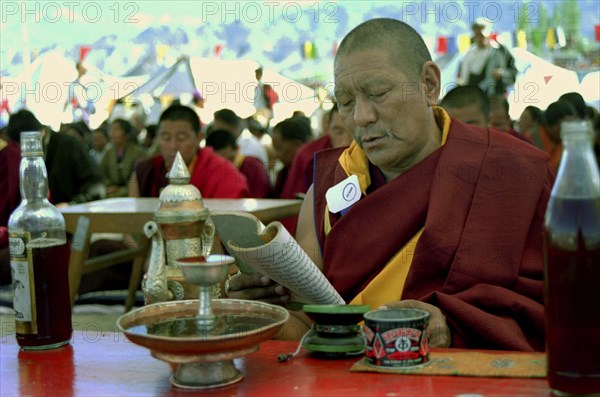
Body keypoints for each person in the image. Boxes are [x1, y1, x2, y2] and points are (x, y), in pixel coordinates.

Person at [227, 18, 554, 352]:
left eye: (378, 93)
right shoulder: (327, 189)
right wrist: (262, 312)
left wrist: (453, 325)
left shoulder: (511, 172)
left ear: (428, 84)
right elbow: (309, 327)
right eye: (346, 101)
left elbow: (564, 309)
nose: (360, 117)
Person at [130, 104, 250, 198]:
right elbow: (136, 214)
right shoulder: (145, 170)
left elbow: (230, 220)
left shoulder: (221, 171)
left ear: (199, 138)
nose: (173, 146)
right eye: (166, 138)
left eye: (181, 138)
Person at [7, 110, 105, 206]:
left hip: (74, 212)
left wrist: (72, 204)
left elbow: (95, 186)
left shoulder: (68, 145)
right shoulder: (26, 155)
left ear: (40, 133)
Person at [280, 103, 352, 200]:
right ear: (328, 129)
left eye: (353, 131)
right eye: (338, 132)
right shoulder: (307, 156)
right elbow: (291, 203)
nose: (346, 141)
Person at [441, 86, 531, 144]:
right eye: (453, 126)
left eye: (470, 124)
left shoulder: (517, 150)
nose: (462, 132)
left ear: (488, 121)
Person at [205, 128, 272, 198]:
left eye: (230, 159)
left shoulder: (253, 166)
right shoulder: (209, 171)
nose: (226, 165)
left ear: (237, 149)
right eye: (218, 163)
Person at [457, 18, 517, 96]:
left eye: (482, 35)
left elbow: (513, 74)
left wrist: (502, 74)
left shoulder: (501, 51)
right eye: (477, 35)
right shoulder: (469, 54)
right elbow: (463, 79)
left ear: (490, 34)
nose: (479, 39)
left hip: (496, 98)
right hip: (475, 98)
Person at [100, 118, 147, 198]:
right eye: (111, 129)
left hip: (132, 194)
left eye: (116, 130)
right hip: (111, 193)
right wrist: (109, 186)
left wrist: (121, 190)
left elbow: (141, 179)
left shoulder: (139, 153)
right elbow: (102, 173)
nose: (112, 133)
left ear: (127, 134)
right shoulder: (108, 152)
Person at [270, 117, 312, 198]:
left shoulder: (312, 172)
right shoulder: (283, 174)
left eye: (279, 148)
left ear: (298, 145)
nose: (276, 155)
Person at [541, 100, 579, 171]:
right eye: (566, 126)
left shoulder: (564, 140)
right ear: (553, 122)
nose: (569, 130)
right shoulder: (533, 137)